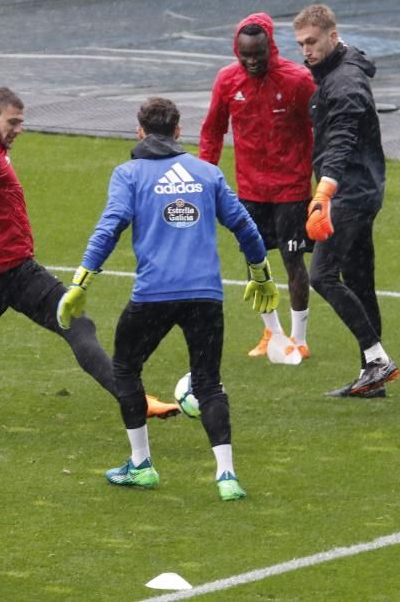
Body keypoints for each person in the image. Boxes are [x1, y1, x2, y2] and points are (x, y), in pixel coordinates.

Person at [0, 86, 178, 418]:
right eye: (12, 123)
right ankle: (135, 400)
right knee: (76, 324)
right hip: (8, 267)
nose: (19, 130)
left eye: (21, 122)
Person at [57, 97, 279, 500]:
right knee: (209, 383)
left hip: (153, 295)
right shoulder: (207, 173)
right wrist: (260, 274)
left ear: (140, 131)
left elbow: (110, 228)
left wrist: (80, 282)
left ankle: (141, 465)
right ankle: (226, 477)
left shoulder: (129, 174)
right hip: (205, 296)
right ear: (178, 132)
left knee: (125, 368)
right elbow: (244, 225)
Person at [293, 4, 400, 398]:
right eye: (301, 43)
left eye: (313, 41)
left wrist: (325, 191)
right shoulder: (337, 70)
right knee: (359, 281)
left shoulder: (345, 84)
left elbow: (341, 141)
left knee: (322, 276)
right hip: (363, 188)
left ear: (332, 37)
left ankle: (376, 359)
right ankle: (371, 378)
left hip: (350, 194)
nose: (306, 50)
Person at [199, 12, 315, 361]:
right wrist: (207, 176)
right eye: (244, 54)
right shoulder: (227, 81)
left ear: (271, 47)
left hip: (292, 188)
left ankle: (299, 338)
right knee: (257, 262)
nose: (251, 61)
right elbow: (212, 130)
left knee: (294, 261)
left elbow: (321, 127)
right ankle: (272, 333)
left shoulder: (297, 81)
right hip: (250, 190)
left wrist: (323, 180)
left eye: (257, 54)